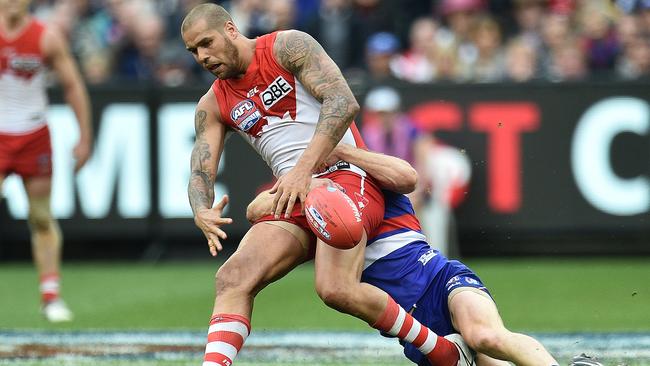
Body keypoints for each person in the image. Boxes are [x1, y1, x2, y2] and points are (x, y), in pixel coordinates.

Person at [181, 4, 469, 366]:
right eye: (194, 51)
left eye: (207, 43)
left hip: (344, 176)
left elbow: (343, 101)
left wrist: (304, 169)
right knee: (232, 278)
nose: (203, 56)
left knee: (335, 289)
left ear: (230, 29)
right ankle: (445, 352)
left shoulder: (286, 46)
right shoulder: (213, 102)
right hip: (294, 194)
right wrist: (201, 209)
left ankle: (442, 351)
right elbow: (200, 171)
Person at [247, 143, 560, 366]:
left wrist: (342, 152)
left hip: (439, 279)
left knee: (486, 337)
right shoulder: (309, 193)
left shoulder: (367, 174)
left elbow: (408, 176)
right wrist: (311, 188)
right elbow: (254, 209)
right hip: (415, 327)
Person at [0, 0, 92, 322]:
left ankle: (51, 295)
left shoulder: (46, 37)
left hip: (33, 132)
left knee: (41, 217)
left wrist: (84, 138)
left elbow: (72, 85)